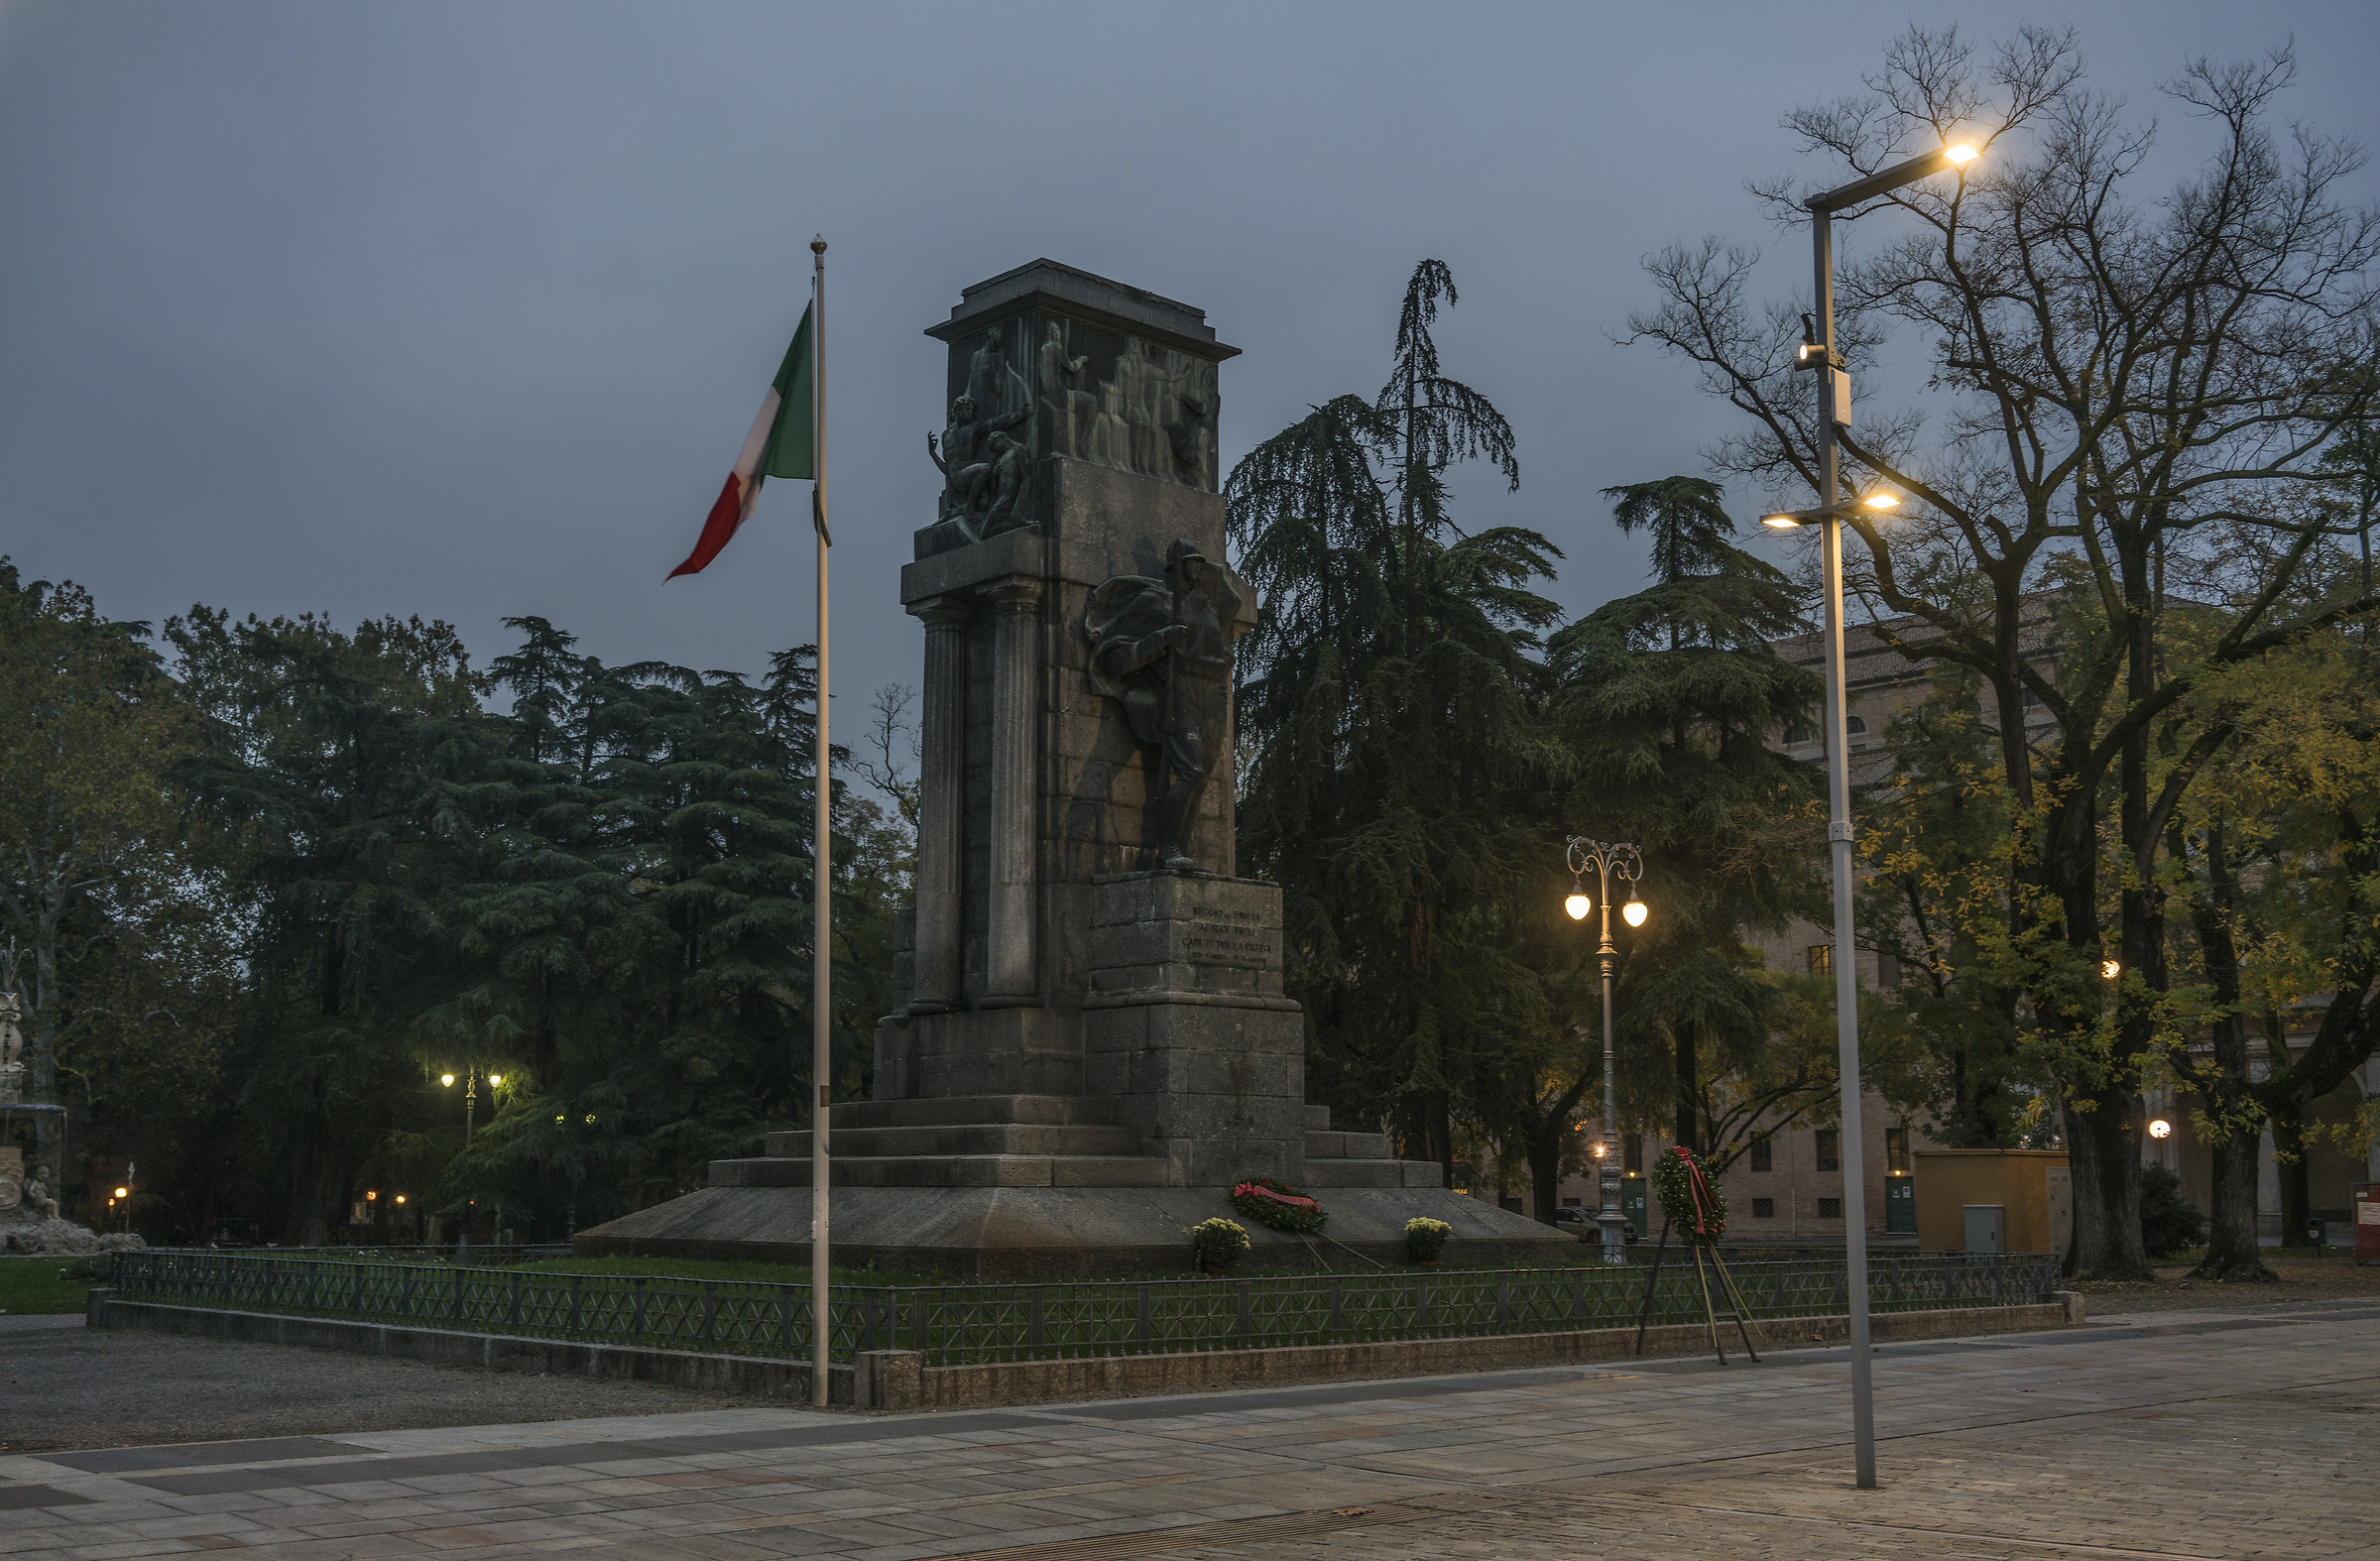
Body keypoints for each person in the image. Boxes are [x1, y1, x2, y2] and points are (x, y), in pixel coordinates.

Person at [1085, 540, 1237, 868]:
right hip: (1174, 694)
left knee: (1200, 780)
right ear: (1178, 565)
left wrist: (1221, 671)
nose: (1199, 568)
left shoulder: (1203, 605)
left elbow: (1223, 653)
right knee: (1191, 771)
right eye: (1194, 563)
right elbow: (1117, 661)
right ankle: (1168, 849)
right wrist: (1161, 639)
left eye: (1201, 563)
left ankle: (1181, 849)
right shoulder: (1151, 602)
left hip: (1209, 698)